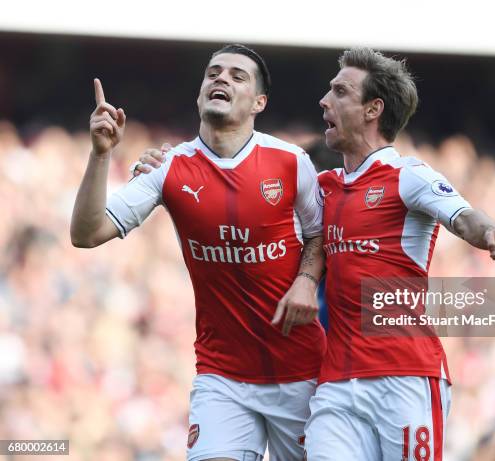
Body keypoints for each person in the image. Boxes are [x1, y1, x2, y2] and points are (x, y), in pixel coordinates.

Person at [70, 44, 326, 461]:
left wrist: (306, 280)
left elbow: (321, 234)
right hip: (221, 376)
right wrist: (101, 156)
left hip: (300, 373)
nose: (221, 79)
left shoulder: (291, 162)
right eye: (213, 73)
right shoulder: (168, 168)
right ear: (200, 91)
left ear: (259, 102)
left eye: (237, 76)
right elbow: (86, 233)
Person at [303, 48, 495, 460]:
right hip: (335, 383)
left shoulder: (409, 176)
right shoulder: (323, 186)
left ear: (373, 109)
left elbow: (463, 217)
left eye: (340, 92)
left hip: (403, 376)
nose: (324, 100)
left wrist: (492, 234)